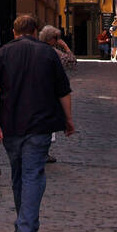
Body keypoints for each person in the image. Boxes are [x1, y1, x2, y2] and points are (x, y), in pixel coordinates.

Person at [0, 13, 74, 232]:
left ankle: (23, 223)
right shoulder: (48, 53)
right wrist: (68, 119)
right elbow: (63, 91)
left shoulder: (3, 53)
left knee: (18, 174)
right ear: (35, 31)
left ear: (14, 32)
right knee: (33, 174)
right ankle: (26, 227)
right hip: (40, 125)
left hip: (11, 125)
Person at [38, 26, 76, 163]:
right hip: (50, 92)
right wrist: (65, 46)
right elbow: (71, 62)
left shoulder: (35, 49)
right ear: (52, 39)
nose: (58, 40)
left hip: (36, 90)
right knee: (49, 123)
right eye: (57, 38)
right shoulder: (53, 52)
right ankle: (44, 152)